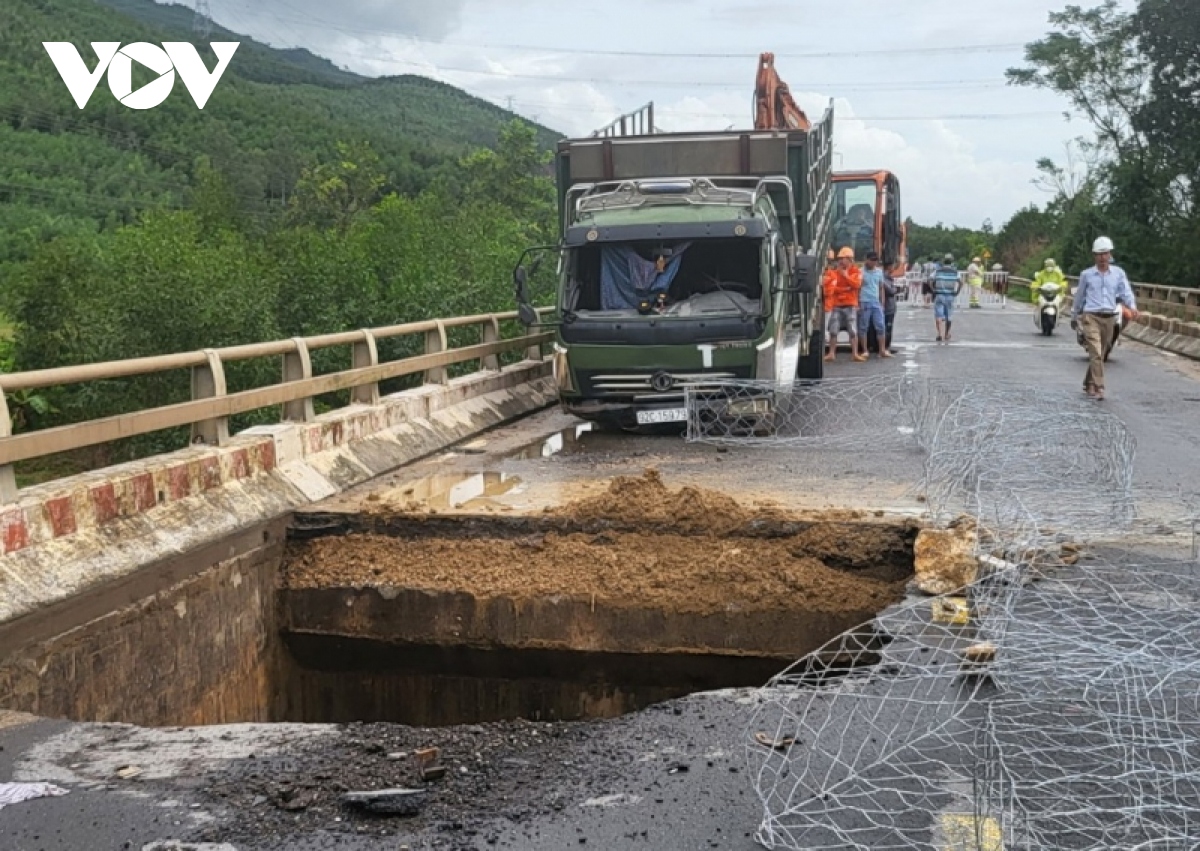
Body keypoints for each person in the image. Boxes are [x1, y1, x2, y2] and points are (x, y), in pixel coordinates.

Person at [1071, 237, 1138, 400]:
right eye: (1099, 254)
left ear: (1110, 254)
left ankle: (1089, 382)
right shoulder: (1086, 275)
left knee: (1100, 353)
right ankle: (1099, 386)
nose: (1102, 257)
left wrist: (1132, 306)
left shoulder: (1118, 273)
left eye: (1105, 253)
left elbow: (1125, 292)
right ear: (1094, 256)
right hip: (1091, 316)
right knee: (1095, 351)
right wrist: (1074, 315)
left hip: (1109, 317)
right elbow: (1079, 296)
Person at [822, 246, 866, 362]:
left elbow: (857, 285)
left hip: (850, 305)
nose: (841, 261)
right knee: (833, 330)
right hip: (836, 305)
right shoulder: (834, 272)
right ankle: (831, 353)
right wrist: (846, 288)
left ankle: (855, 353)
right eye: (840, 258)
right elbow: (832, 288)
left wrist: (846, 276)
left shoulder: (856, 271)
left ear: (850, 259)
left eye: (843, 258)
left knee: (852, 330)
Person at [856, 251, 892, 359]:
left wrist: (882, 302)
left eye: (875, 260)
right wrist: (857, 303)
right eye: (871, 260)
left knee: (880, 326)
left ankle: (882, 350)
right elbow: (857, 288)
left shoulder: (879, 272)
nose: (873, 262)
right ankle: (865, 350)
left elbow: (881, 287)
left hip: (876, 302)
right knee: (863, 327)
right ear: (866, 260)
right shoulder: (860, 272)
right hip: (864, 301)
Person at [932, 253, 961, 343]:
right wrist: (957, 291)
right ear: (951, 262)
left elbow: (930, 280)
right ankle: (946, 334)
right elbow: (961, 282)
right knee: (949, 315)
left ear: (944, 262)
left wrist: (933, 289)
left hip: (939, 294)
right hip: (950, 295)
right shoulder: (955, 272)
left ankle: (939, 334)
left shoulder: (937, 271)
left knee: (938, 315)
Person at [1031, 258, 1067, 330]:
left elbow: (1063, 281)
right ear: (1045, 266)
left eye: (1051, 265)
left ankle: (1058, 316)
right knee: (1039, 302)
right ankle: (1039, 317)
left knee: (1059, 303)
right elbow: (1036, 282)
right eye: (1048, 265)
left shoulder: (1058, 274)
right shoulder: (1041, 274)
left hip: (1055, 293)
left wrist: (1062, 286)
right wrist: (1036, 287)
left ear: (1054, 266)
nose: (1049, 267)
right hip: (1044, 293)